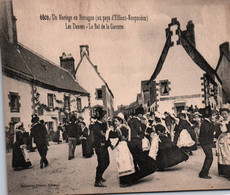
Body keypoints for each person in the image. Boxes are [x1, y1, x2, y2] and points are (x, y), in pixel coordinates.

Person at [127, 107, 156, 181]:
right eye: (142, 114)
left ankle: (136, 171)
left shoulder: (130, 120)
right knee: (139, 157)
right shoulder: (136, 121)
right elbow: (140, 130)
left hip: (131, 141)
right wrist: (144, 125)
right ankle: (139, 172)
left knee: (135, 157)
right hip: (137, 141)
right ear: (139, 114)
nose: (142, 115)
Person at [110, 113, 136, 187]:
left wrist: (112, 145)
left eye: (116, 121)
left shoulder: (119, 128)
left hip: (121, 146)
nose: (115, 123)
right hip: (124, 145)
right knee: (126, 162)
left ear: (120, 121)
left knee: (122, 162)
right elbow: (128, 137)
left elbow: (118, 139)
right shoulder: (126, 127)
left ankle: (125, 181)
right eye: (114, 121)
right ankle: (128, 180)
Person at [93, 107, 110, 187]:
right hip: (99, 147)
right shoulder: (96, 125)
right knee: (101, 163)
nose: (105, 118)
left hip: (104, 146)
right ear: (101, 117)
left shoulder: (102, 124)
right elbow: (103, 134)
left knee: (107, 162)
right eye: (104, 117)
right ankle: (97, 181)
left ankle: (100, 176)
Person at [199, 109, 218, 179]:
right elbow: (208, 132)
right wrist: (214, 124)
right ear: (210, 116)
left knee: (208, 157)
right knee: (210, 158)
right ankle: (204, 174)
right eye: (214, 115)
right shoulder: (206, 123)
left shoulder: (206, 122)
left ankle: (203, 173)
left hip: (205, 142)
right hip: (205, 142)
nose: (215, 117)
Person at [216, 106, 230, 177]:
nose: (224, 115)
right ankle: (224, 172)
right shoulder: (221, 121)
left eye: (225, 114)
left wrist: (223, 124)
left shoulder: (228, 121)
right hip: (222, 139)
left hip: (228, 139)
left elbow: (225, 130)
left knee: (228, 155)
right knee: (223, 155)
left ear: (228, 114)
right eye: (222, 114)